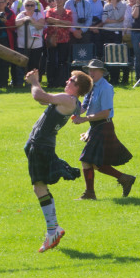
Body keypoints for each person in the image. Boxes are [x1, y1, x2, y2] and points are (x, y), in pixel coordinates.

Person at [23, 68, 93, 253]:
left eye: (71, 80)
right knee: (41, 185)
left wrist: (35, 81)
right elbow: (43, 99)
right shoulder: (71, 101)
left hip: (41, 145)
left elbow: (39, 95)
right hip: (40, 144)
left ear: (77, 87)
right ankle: (53, 229)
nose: (67, 81)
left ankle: (53, 230)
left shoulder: (67, 99)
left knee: (39, 186)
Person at [72, 59, 135, 200]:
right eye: (89, 70)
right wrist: (75, 112)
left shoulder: (106, 88)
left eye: (94, 70)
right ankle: (125, 178)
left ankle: (90, 193)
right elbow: (85, 107)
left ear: (102, 72)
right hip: (96, 127)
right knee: (94, 162)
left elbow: (106, 112)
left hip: (103, 125)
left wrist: (84, 119)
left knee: (87, 160)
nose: (91, 72)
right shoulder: (91, 86)